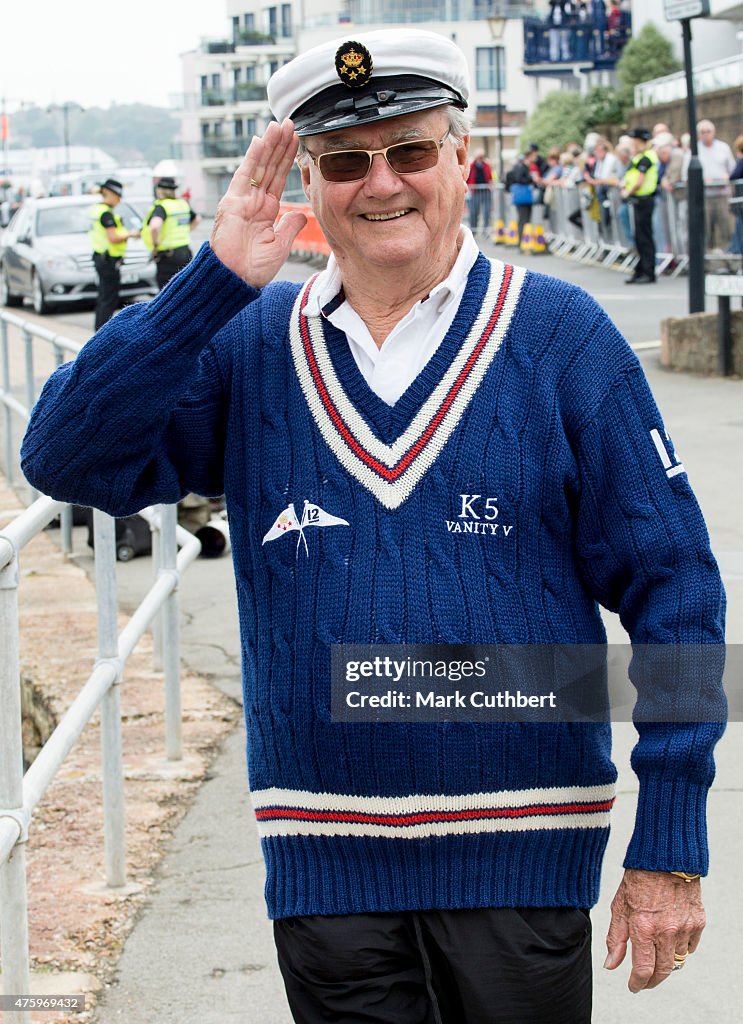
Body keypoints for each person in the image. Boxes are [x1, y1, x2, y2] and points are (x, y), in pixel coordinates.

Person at [21, 30, 725, 1024]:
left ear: (461, 162)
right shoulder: (251, 347)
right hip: (323, 867)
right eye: (345, 162)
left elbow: (679, 592)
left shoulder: (561, 338)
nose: (379, 183)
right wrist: (209, 282)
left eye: (409, 152)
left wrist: (670, 838)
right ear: (309, 181)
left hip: (521, 862)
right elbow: (61, 457)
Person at [88, 178, 140, 329]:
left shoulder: (97, 210)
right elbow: (113, 237)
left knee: (104, 296)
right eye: (118, 195)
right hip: (108, 260)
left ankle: (99, 330)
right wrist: (131, 234)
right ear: (110, 194)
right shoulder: (106, 214)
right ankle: (102, 331)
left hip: (101, 257)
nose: (120, 199)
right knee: (108, 299)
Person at [685, 119, 736, 252]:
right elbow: (686, 175)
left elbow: (733, 170)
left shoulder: (723, 147)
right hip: (703, 197)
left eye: (708, 131)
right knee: (705, 230)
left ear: (714, 132)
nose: (706, 134)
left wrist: (727, 177)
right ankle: (707, 261)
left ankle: (728, 260)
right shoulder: (694, 151)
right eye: (703, 132)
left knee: (726, 228)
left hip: (722, 195)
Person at [142, 176, 201, 289]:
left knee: (167, 290)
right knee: (184, 287)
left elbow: (154, 227)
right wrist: (186, 230)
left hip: (168, 256)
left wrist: (155, 245)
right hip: (185, 251)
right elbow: (197, 219)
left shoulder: (162, 206)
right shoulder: (182, 204)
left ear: (160, 190)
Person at [621, 127, 659, 284]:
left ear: (640, 141)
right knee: (639, 237)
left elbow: (640, 180)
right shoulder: (640, 157)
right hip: (638, 200)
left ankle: (648, 272)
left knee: (644, 237)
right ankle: (640, 270)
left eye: (634, 140)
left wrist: (627, 191)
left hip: (644, 200)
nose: (632, 143)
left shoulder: (646, 157)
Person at [505, 154, 535, 242]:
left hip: (521, 197)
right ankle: (522, 239)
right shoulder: (522, 168)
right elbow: (519, 179)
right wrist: (531, 179)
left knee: (523, 218)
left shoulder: (518, 168)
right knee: (523, 218)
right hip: (523, 197)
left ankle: (523, 239)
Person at [466, 151, 492, 236]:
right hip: (474, 191)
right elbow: (468, 177)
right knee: (474, 211)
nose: (481, 158)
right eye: (479, 156)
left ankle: (485, 230)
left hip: (486, 191)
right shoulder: (471, 166)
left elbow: (490, 176)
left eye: (482, 156)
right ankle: (473, 230)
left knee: (486, 211)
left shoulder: (487, 166)